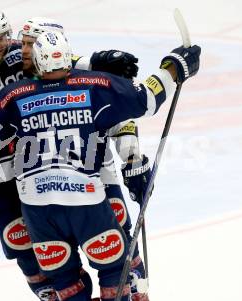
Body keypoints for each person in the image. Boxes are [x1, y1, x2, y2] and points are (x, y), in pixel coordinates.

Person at [0, 8, 145, 300]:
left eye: (1, 36)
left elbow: (62, 65)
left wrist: (97, 61)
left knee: (114, 235)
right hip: (0, 172)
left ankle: (134, 291)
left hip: (52, 161)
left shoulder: (19, 53)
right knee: (29, 249)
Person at [0, 31, 200, 301]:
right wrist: (175, 66)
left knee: (64, 281)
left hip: (36, 206)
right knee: (115, 270)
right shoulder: (93, 86)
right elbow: (147, 98)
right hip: (84, 198)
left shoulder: (13, 95)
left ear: (38, 61)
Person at [19, 18, 152, 300]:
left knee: (119, 245)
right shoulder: (16, 78)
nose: (26, 50)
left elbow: (120, 116)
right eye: (26, 43)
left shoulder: (79, 73)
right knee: (52, 263)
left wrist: (131, 158)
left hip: (97, 172)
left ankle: (133, 290)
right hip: (40, 184)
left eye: (33, 44)